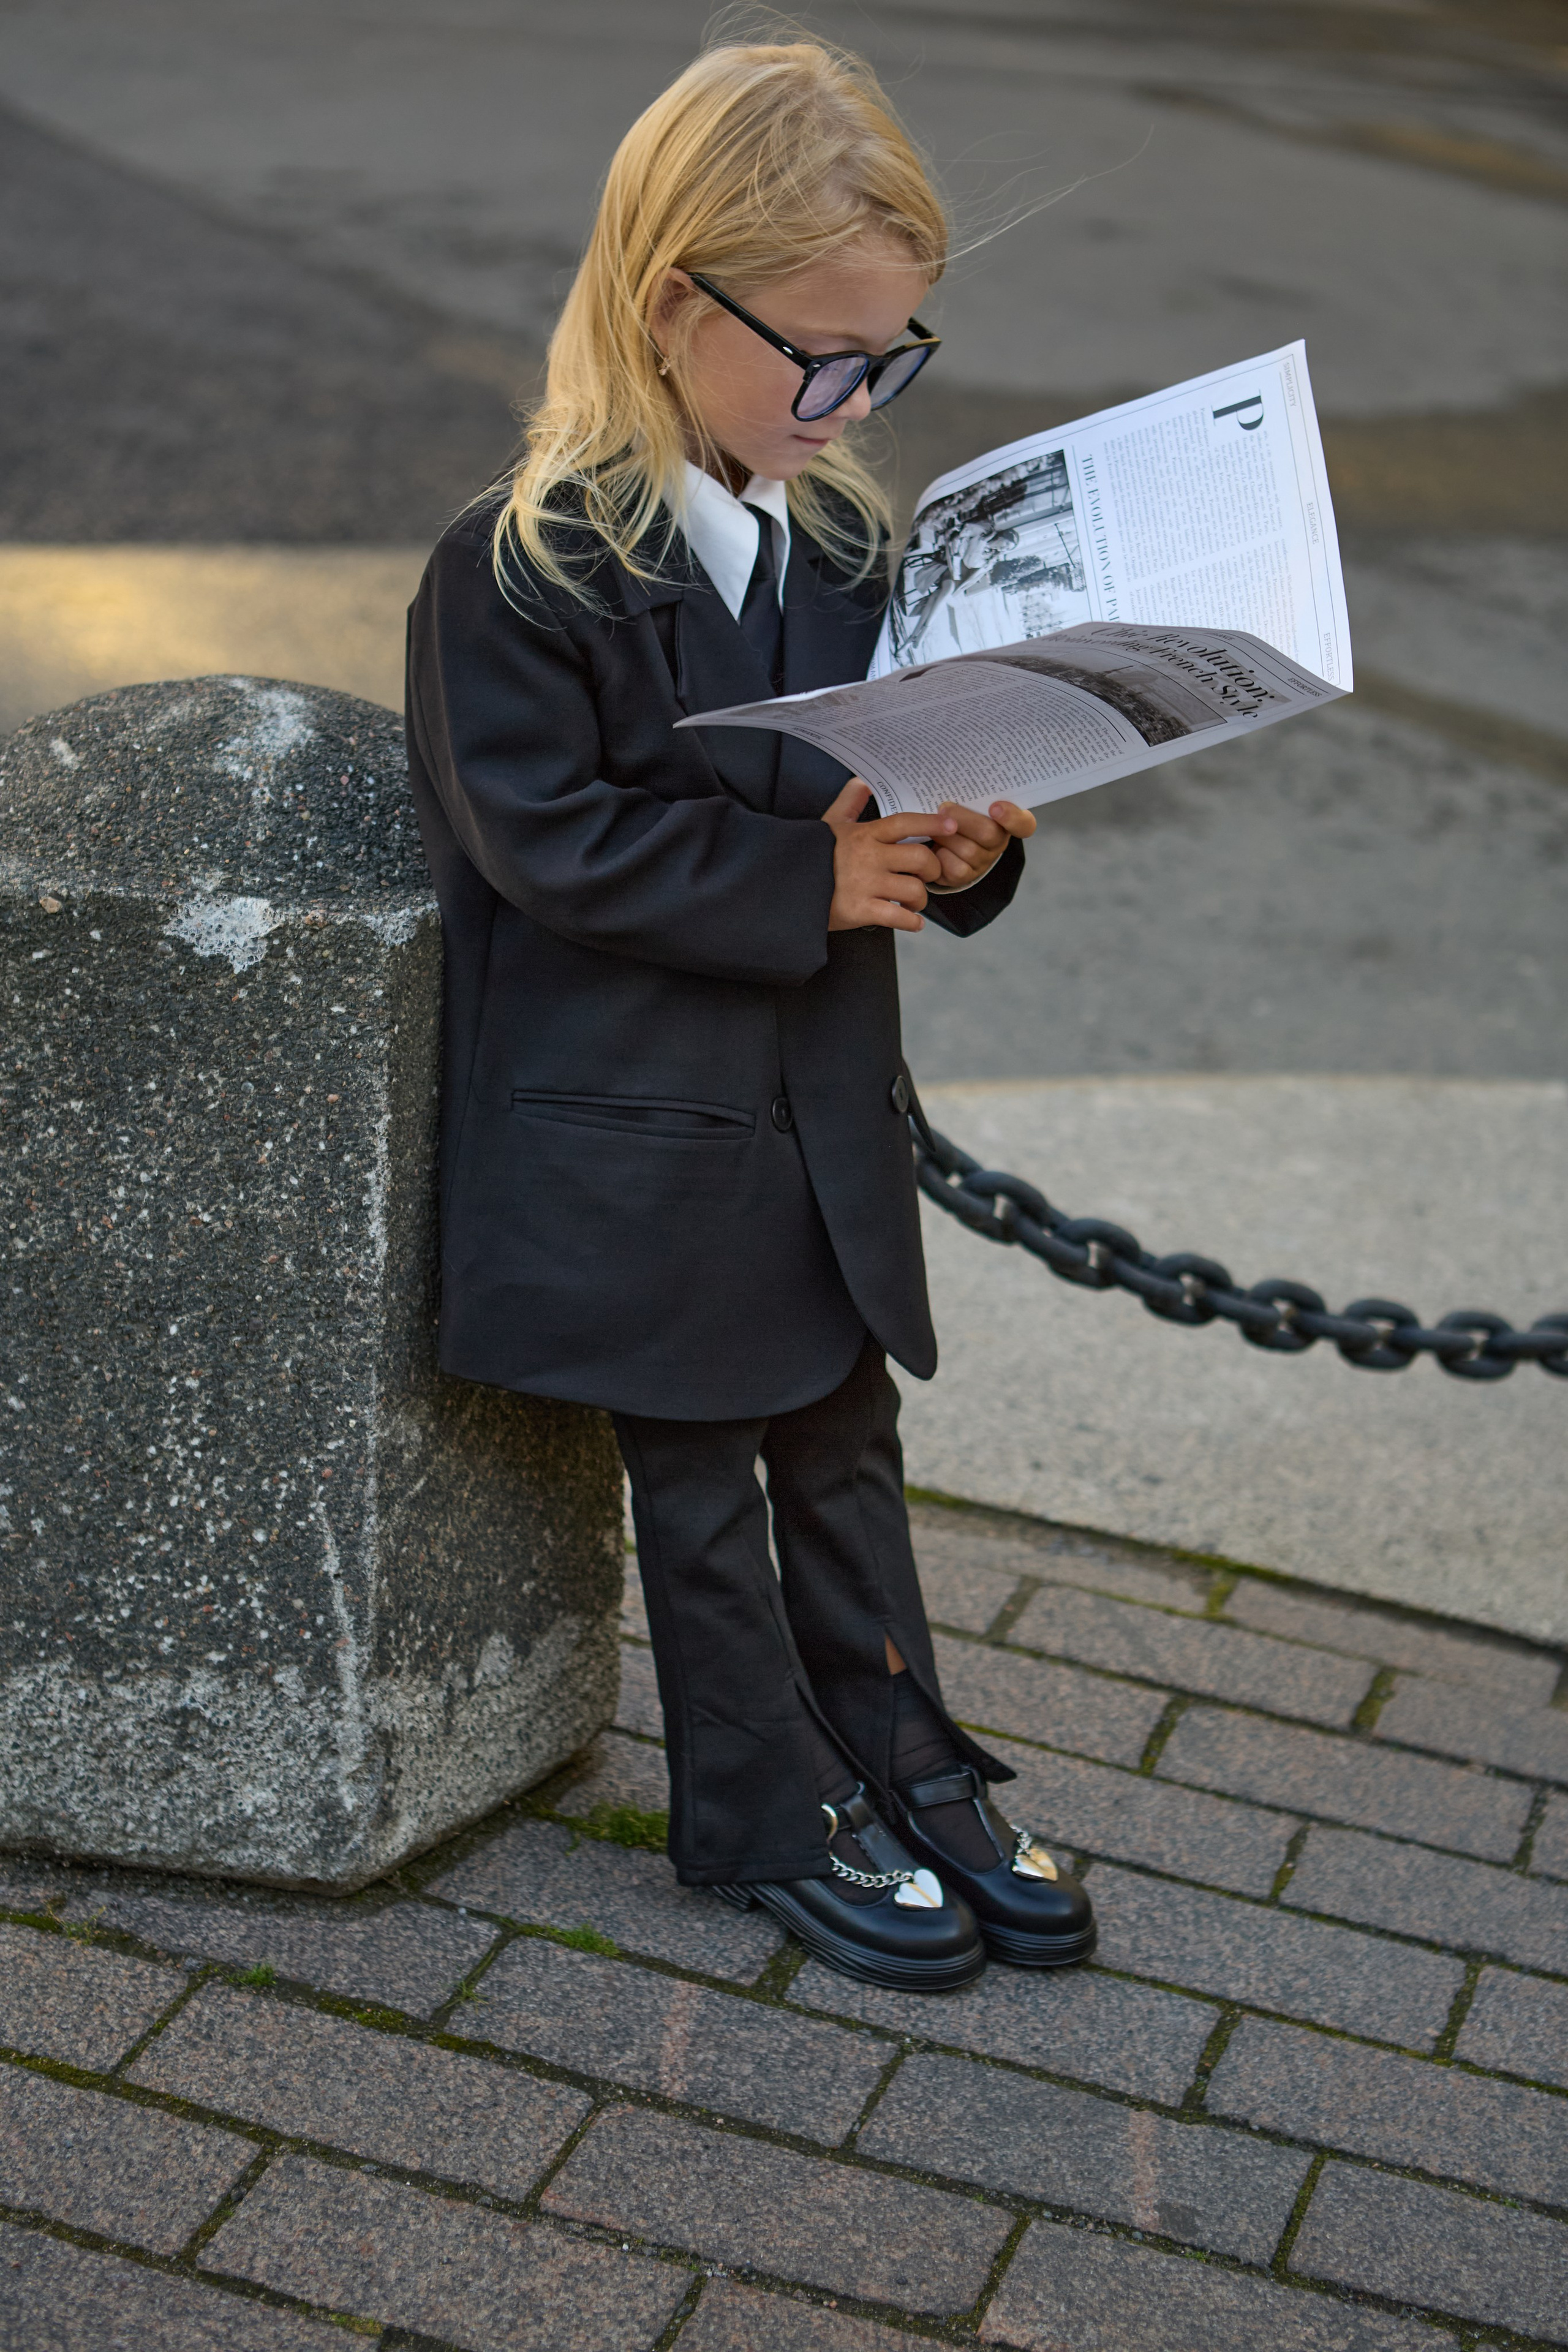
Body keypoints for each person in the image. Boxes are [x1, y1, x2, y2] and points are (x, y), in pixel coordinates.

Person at [405, 37, 1095, 1991]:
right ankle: (756, 1805)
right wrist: (812, 881)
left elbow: (886, 793)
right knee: (701, 1475)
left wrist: (956, 849)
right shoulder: (526, 568)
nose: (854, 400)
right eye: (823, 357)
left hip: (814, 1120)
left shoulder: (859, 547)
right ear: (666, 306)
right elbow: (549, 841)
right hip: (638, 1140)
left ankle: (903, 1753)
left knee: (843, 1441)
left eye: (892, 359)